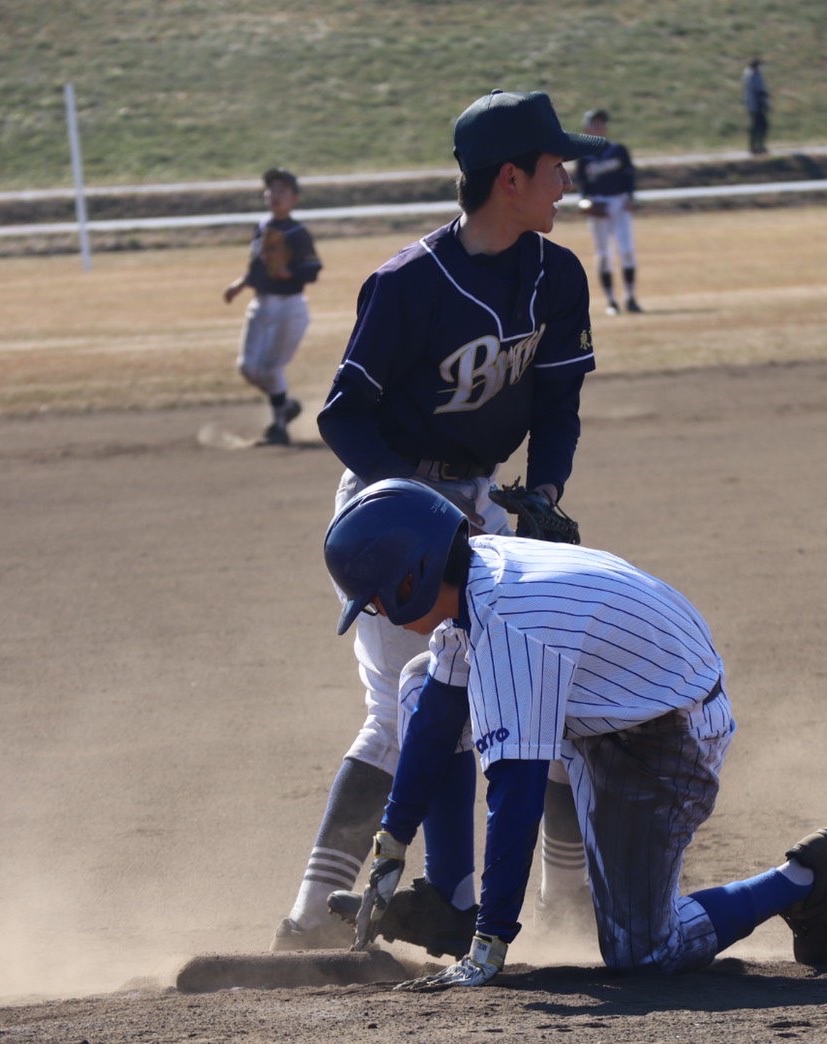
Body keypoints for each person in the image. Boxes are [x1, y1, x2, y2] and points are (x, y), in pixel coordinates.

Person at [270, 90, 605, 956]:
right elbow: (342, 417)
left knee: (548, 690)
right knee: (406, 711)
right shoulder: (407, 284)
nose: (565, 180)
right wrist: (413, 504)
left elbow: (560, 398)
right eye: (553, 165)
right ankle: (314, 916)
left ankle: (566, 904)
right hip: (391, 511)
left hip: (491, 503)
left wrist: (547, 491)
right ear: (509, 178)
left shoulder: (556, 275)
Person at [323, 479, 827, 988]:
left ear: (409, 579)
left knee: (643, 953)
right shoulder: (478, 573)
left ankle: (802, 879)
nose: (379, 612)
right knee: (421, 681)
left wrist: (492, 943)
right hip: (615, 703)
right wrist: (391, 844)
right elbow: (437, 717)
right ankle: (451, 899)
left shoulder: (509, 624)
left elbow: (517, 795)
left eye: (374, 599)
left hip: (667, 735)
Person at [223, 168, 322, 446]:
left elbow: (312, 270)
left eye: (282, 191)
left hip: (290, 308)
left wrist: (291, 273)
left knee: (270, 369)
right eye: (271, 190)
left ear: (294, 199)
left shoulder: (298, 233)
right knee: (248, 368)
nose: (275, 196)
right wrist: (240, 284)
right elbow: (258, 266)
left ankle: (279, 427)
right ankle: (286, 405)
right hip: (260, 304)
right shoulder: (263, 226)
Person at [572, 109, 642, 316]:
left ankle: (630, 297)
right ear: (587, 128)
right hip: (599, 203)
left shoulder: (618, 150)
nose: (599, 127)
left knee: (627, 249)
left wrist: (630, 197)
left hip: (619, 201)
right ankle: (611, 300)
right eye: (594, 123)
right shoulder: (584, 157)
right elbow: (582, 188)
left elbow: (629, 177)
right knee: (603, 255)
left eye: (601, 123)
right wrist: (587, 205)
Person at [742, 57, 771, 156]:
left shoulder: (749, 74)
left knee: (757, 126)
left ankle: (755, 147)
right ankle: (758, 147)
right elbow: (759, 91)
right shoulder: (753, 75)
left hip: (752, 104)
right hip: (756, 105)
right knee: (761, 126)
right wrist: (765, 103)